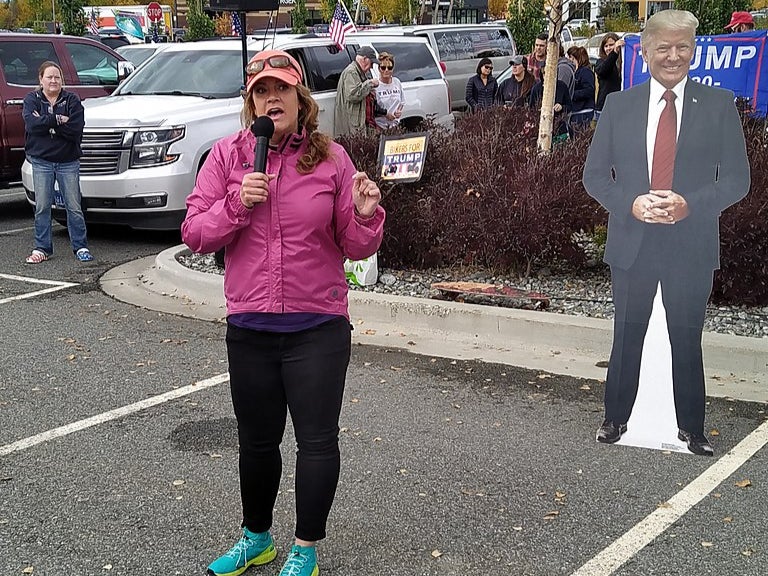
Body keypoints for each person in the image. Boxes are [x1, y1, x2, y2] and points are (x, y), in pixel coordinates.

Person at [182, 49, 385, 576]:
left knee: (316, 442)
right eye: (262, 91)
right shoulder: (227, 157)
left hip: (317, 325)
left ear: (300, 98)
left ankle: (304, 550)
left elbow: (354, 245)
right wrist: (236, 204)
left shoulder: (331, 159)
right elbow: (195, 232)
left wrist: (366, 216)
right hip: (250, 326)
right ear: (250, 103)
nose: (272, 99)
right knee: (256, 442)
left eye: (282, 89)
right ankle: (256, 539)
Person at [583, 10, 750, 456]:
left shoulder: (719, 106)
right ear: (646, 51)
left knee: (686, 337)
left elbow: (737, 180)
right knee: (627, 334)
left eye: (683, 47)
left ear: (693, 51)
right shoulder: (619, 106)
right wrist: (631, 203)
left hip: (690, 244)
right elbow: (594, 177)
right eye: (664, 48)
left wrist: (690, 204)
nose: (674, 56)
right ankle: (615, 418)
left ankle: (692, 428)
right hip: (632, 243)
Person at [22, 60, 93, 264]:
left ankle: (80, 246)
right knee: (42, 206)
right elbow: (31, 126)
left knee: (73, 206)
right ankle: (42, 248)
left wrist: (46, 123)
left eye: (57, 77)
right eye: (49, 77)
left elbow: (76, 129)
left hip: (68, 161)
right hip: (42, 161)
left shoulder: (71, 100)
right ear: (41, 79)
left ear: (62, 80)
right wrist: (58, 120)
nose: (53, 80)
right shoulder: (32, 99)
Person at [334, 45, 379, 136]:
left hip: (357, 125)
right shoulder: (351, 72)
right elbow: (353, 95)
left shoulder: (359, 72)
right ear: (365, 59)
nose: (371, 67)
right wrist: (370, 83)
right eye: (371, 63)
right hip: (352, 127)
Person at [529, 62, 572, 139]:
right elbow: (531, 110)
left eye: (550, 73)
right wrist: (539, 111)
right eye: (545, 73)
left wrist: (561, 107)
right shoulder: (536, 89)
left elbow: (570, 106)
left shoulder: (562, 86)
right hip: (541, 128)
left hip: (559, 128)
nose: (547, 76)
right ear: (542, 74)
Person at [594, 33, 624, 121]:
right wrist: (614, 53)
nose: (608, 48)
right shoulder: (600, 62)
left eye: (611, 45)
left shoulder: (624, 62)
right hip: (604, 107)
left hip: (621, 106)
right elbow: (603, 71)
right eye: (606, 46)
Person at [373, 51, 405, 130]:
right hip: (380, 126)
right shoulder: (375, 86)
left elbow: (402, 102)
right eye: (383, 67)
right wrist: (386, 115)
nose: (386, 70)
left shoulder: (397, 82)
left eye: (389, 68)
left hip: (395, 126)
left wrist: (399, 111)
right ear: (379, 69)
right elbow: (373, 108)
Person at [567, 46, 596, 128]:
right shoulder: (576, 72)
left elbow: (589, 90)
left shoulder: (585, 72)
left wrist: (572, 94)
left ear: (573, 57)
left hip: (584, 111)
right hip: (576, 111)